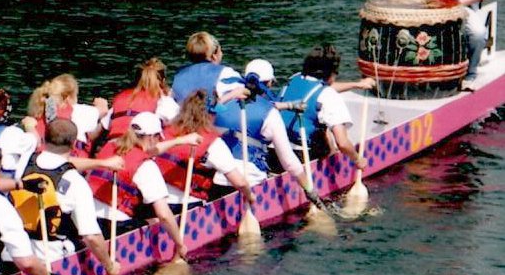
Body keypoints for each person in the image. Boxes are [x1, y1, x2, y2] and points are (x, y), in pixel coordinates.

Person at [9, 120, 121, 275]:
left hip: (15, 251)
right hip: (51, 256)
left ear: (44, 139)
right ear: (74, 144)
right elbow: (91, 237)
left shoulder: (23, 162)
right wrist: (110, 266)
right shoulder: (76, 182)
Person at [85, 113, 189, 260]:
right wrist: (180, 244)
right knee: (156, 220)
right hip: (117, 227)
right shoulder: (146, 166)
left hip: (90, 221)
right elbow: (164, 214)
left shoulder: (110, 145)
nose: (159, 140)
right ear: (151, 137)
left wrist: (179, 141)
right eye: (159, 137)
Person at [212, 59, 310, 189]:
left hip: (220, 178)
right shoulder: (269, 113)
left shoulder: (223, 103)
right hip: (251, 179)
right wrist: (309, 190)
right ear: (269, 83)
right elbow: (289, 162)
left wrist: (289, 105)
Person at [154, 91, 255, 208]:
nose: (216, 117)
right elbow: (240, 183)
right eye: (215, 113)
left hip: (158, 203)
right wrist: (250, 197)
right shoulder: (213, 144)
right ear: (208, 115)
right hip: (188, 204)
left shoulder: (166, 131)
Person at [278, 45, 367, 168]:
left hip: (275, 149)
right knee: (325, 126)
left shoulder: (294, 79)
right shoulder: (327, 95)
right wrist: (358, 160)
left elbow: (322, 89)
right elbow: (342, 143)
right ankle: (331, 159)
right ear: (331, 73)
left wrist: (358, 85)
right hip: (302, 155)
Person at [26, 74, 109, 155]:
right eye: (76, 95)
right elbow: (104, 111)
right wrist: (101, 103)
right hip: (70, 160)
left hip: (40, 155)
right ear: (67, 97)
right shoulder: (79, 110)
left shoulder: (39, 110)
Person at [169, 32, 250, 106]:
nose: (222, 54)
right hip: (208, 120)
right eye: (220, 51)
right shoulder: (225, 73)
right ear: (214, 55)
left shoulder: (179, 76)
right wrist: (231, 95)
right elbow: (241, 92)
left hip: (183, 120)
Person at [105, 58, 179, 138]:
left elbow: (105, 125)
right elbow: (181, 123)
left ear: (136, 81)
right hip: (139, 145)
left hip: (113, 144)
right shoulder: (165, 101)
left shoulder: (123, 98)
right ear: (163, 81)